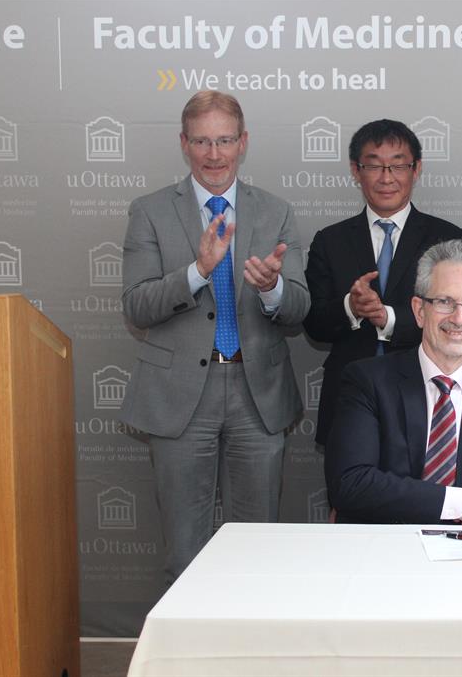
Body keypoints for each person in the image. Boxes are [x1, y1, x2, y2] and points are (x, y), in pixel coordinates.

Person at [120, 90, 310, 581]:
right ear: (184, 144)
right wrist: (197, 271)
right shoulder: (150, 211)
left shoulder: (276, 211)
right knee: (185, 550)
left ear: (243, 142)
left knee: (257, 546)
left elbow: (299, 309)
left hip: (257, 395)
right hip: (179, 397)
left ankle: (250, 654)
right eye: (202, 141)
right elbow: (136, 306)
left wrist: (272, 290)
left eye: (225, 140)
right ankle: (186, 657)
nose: (214, 154)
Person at [328, 240, 462, 524]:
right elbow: (351, 483)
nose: (458, 318)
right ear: (419, 311)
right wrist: (461, 502)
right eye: (444, 302)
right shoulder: (367, 382)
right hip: (378, 556)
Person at [304, 119, 462, 454]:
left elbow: (456, 321)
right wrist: (352, 307)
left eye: (398, 165)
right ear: (355, 170)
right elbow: (314, 324)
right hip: (350, 400)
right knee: (349, 502)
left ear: (416, 169)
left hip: (426, 398)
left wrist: (387, 317)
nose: (386, 177)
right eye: (374, 165)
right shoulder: (330, 240)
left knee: (420, 503)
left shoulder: (447, 239)